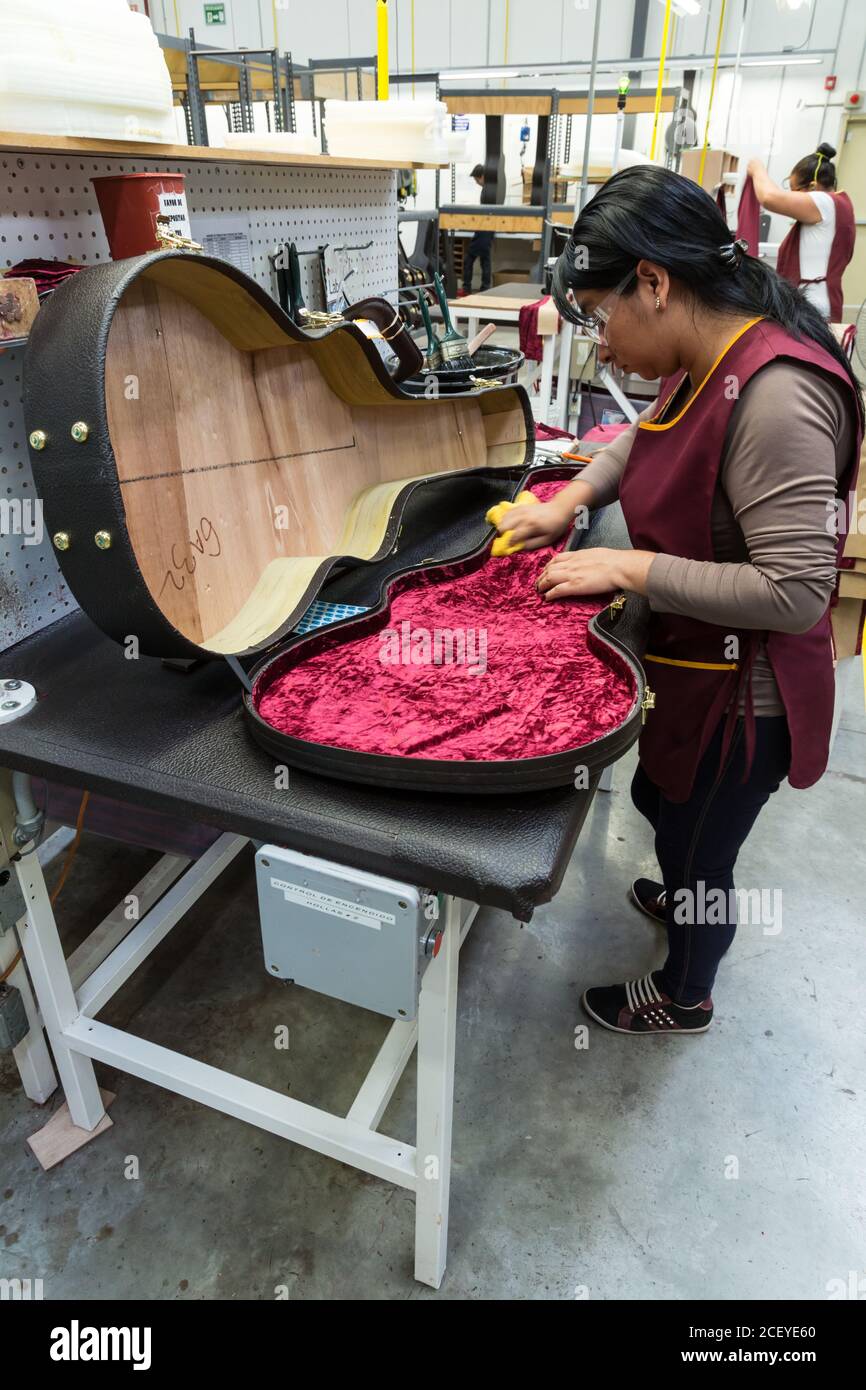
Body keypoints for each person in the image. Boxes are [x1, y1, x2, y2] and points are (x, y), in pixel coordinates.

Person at [495, 165, 863, 1037]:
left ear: (654, 284)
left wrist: (630, 572)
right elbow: (643, 437)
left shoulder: (777, 398)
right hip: (692, 668)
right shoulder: (709, 356)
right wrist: (567, 505)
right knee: (664, 807)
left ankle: (686, 990)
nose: (600, 340)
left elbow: (797, 591)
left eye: (599, 314)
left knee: (704, 856)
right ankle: (679, 867)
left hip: (747, 700)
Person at [747, 142, 855, 321]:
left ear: (812, 187)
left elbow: (769, 197)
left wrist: (758, 169)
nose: (792, 196)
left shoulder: (824, 202)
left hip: (813, 306)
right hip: (819, 302)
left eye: (794, 191)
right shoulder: (840, 205)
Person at [462, 163, 494, 294]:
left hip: (484, 229)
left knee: (470, 259)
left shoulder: (487, 190)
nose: (476, 182)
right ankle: (485, 289)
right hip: (488, 228)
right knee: (485, 260)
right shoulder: (490, 190)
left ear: (482, 176)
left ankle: (467, 287)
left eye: (476, 179)